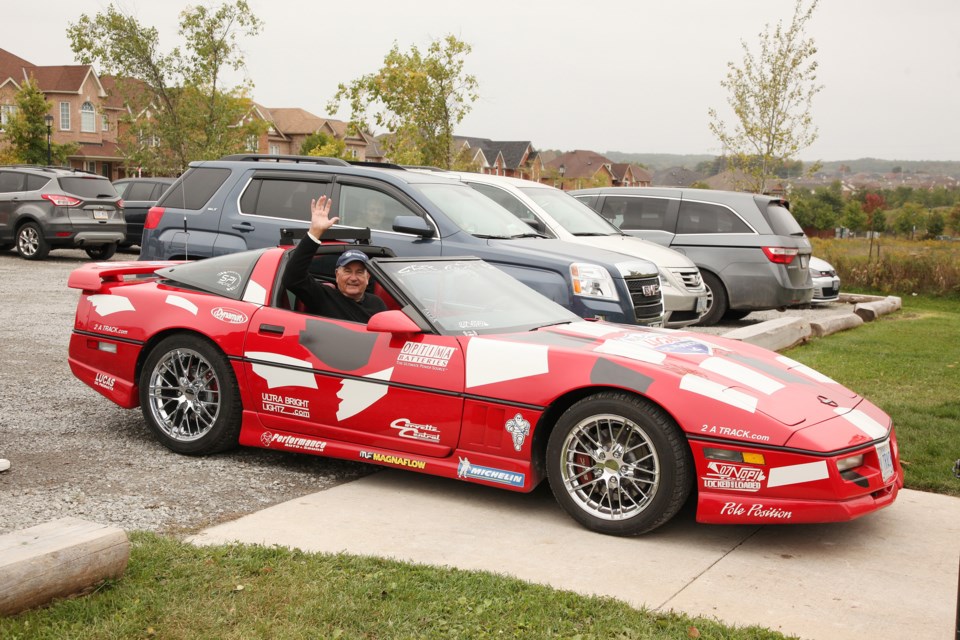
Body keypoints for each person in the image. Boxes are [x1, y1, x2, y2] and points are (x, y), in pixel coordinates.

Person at [282, 195, 387, 323]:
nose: (353, 278)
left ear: (368, 277)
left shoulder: (377, 304)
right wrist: (315, 232)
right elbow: (293, 278)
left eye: (359, 272)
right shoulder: (324, 297)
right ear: (337, 274)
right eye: (347, 271)